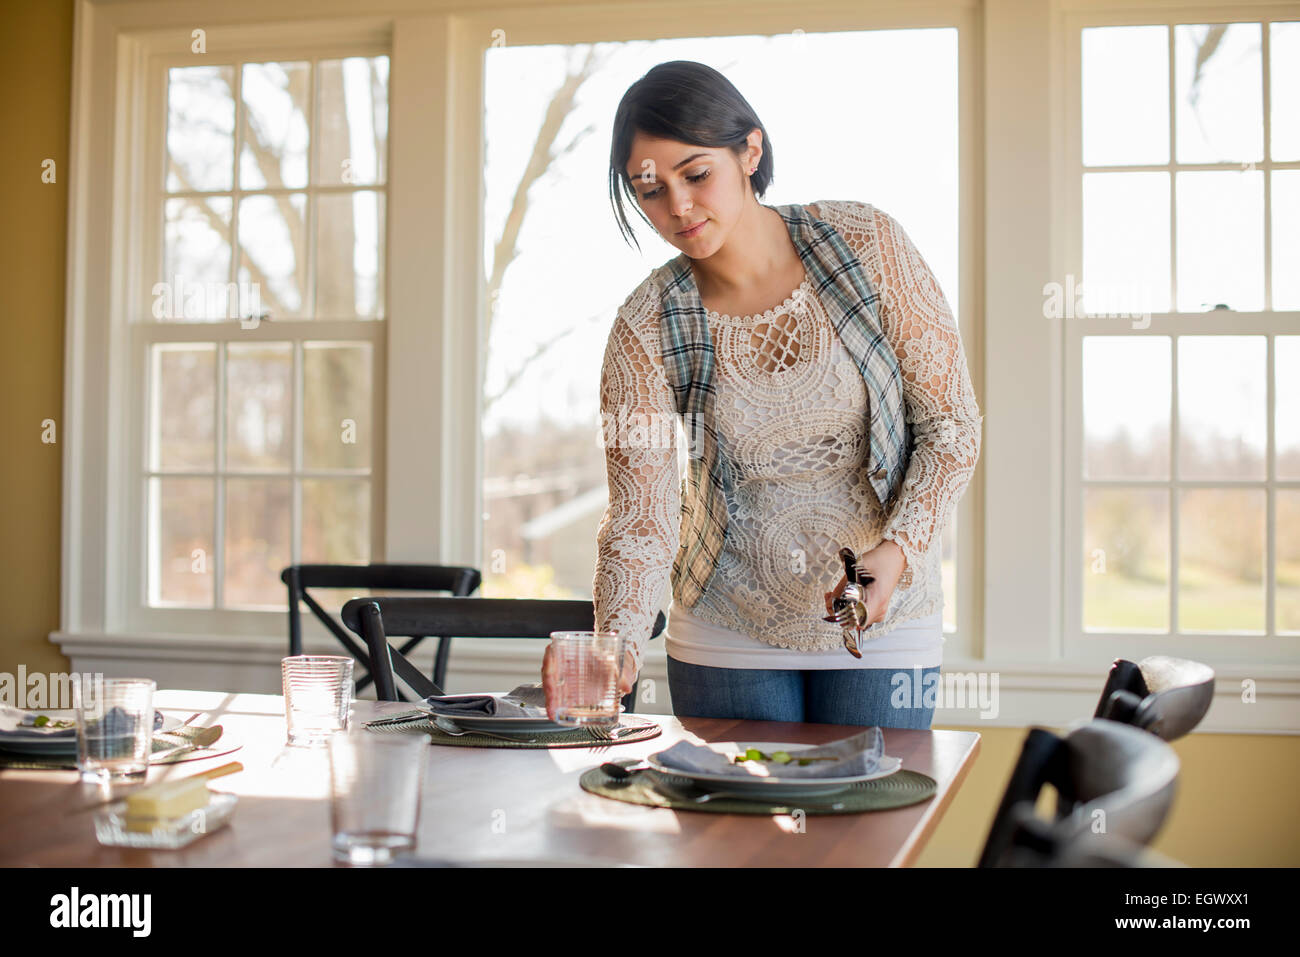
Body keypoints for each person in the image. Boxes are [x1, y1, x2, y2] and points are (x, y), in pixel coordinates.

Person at [542, 60, 982, 728]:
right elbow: (642, 517)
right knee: (730, 831)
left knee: (868, 829)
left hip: (882, 627)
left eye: (696, 174)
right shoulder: (645, 326)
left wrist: (897, 553)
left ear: (750, 151)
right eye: (649, 188)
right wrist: (616, 646)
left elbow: (951, 428)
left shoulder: (868, 245)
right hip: (725, 633)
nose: (678, 207)